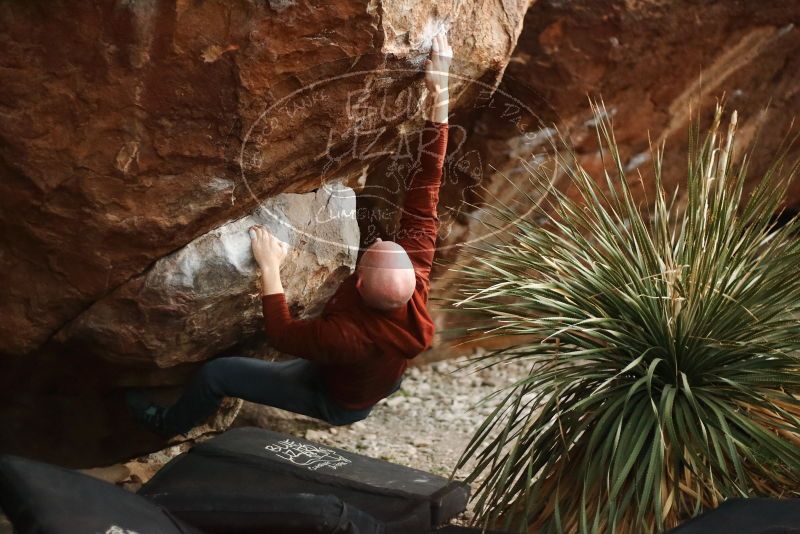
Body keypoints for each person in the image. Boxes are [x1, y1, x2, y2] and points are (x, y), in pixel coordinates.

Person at [126, 32, 453, 439]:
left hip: (334, 396)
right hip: (374, 370)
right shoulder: (416, 272)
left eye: (368, 253)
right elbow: (427, 187)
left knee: (219, 374)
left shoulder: (343, 337)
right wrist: (440, 93)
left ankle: (167, 426)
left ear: (362, 281)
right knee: (351, 362)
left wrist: (269, 267)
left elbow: (282, 332)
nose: (374, 244)